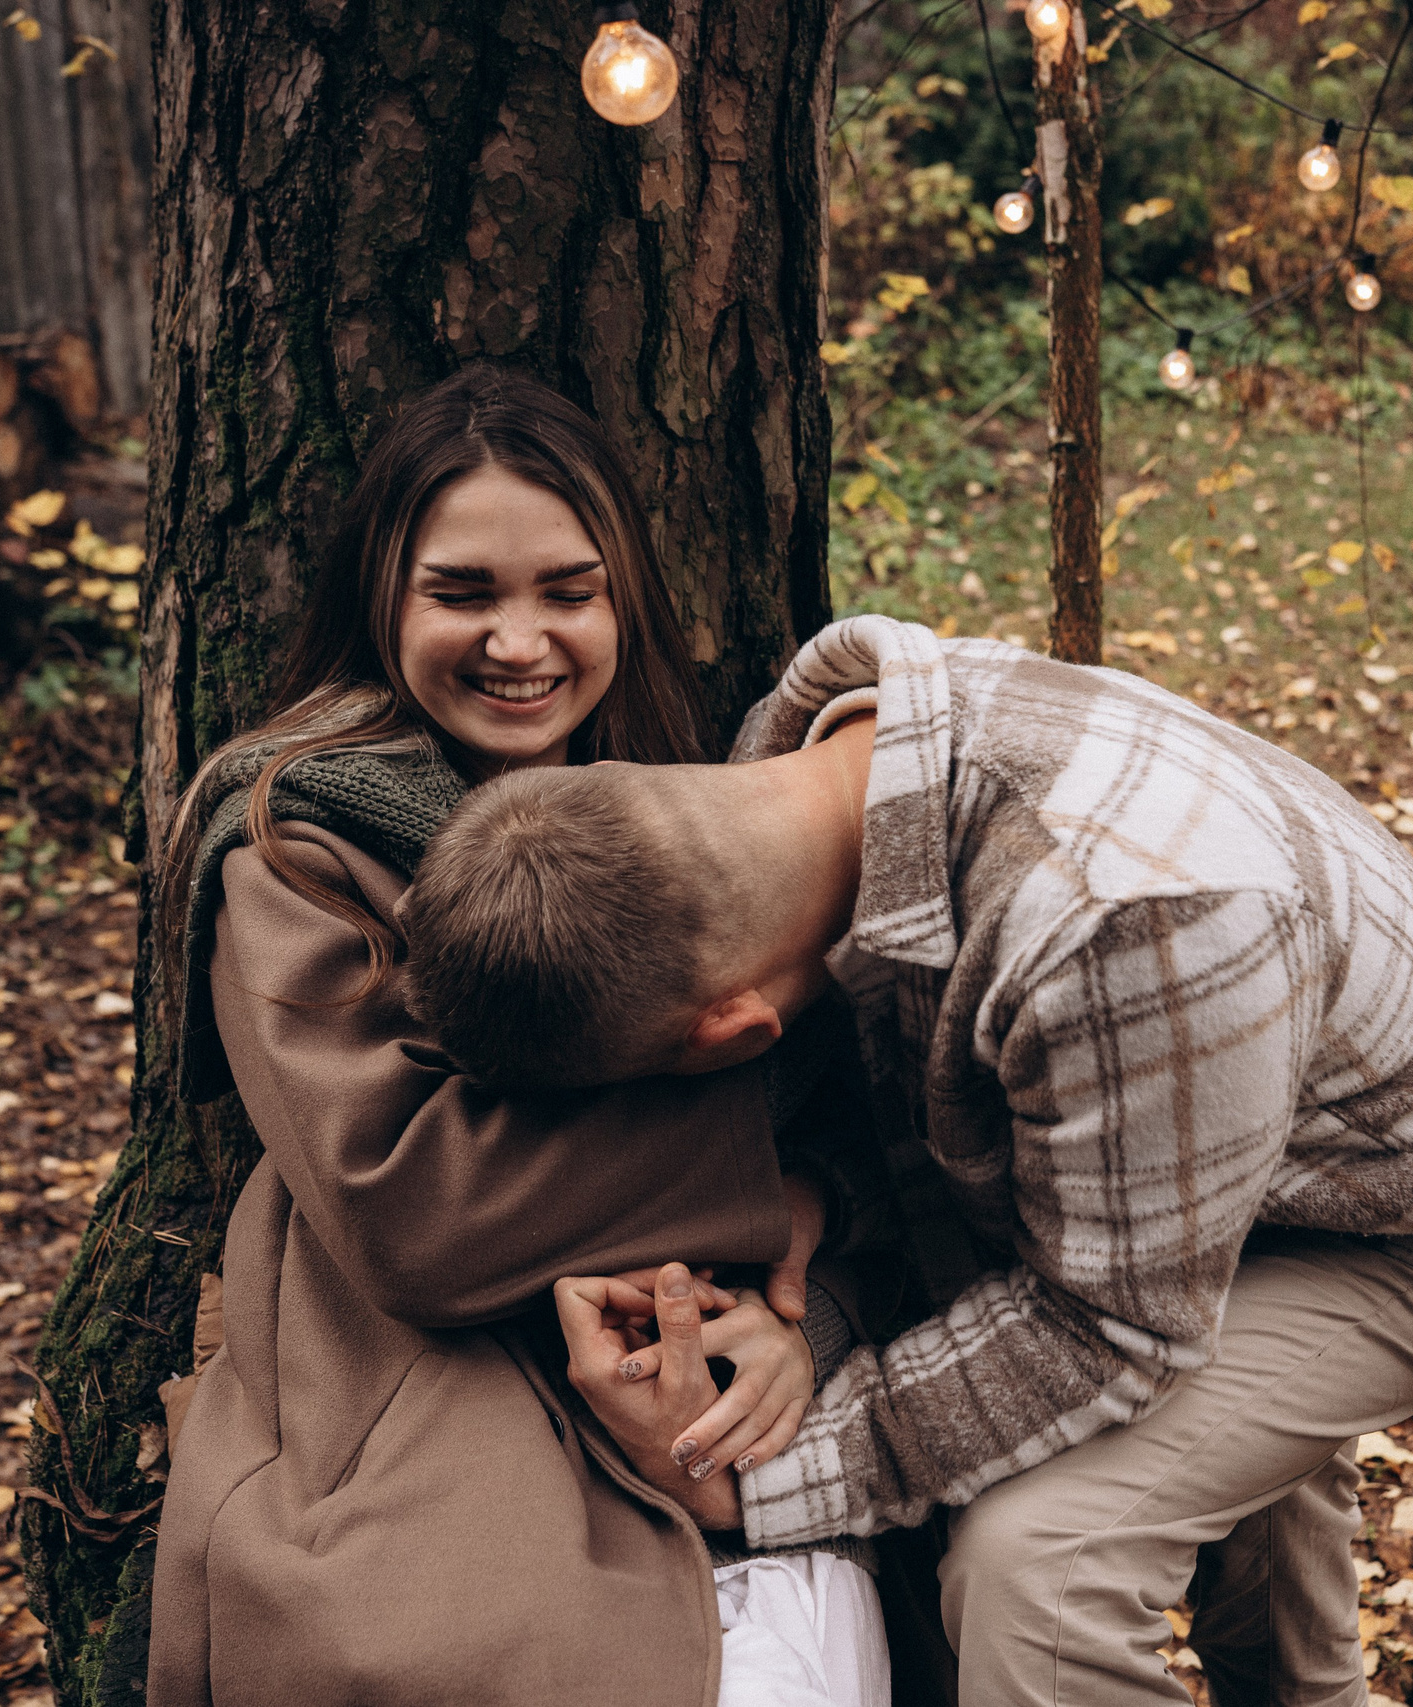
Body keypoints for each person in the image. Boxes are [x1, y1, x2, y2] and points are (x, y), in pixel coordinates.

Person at [398, 612, 1413, 1706]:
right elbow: (967, 1075)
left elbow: (1107, 1329)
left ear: (733, 1033)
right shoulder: (809, 765)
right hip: (1204, 1161)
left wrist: (761, 1482)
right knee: (1240, 1515)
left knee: (1040, 1577)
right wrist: (826, 1195)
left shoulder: (1124, 920)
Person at [144, 367, 891, 1707]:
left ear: (623, 598)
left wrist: (807, 1292)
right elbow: (415, 1204)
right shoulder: (296, 842)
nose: (519, 641)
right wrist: (754, 1133)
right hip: (433, 1402)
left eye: (568, 591)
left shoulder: (710, 804)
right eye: (462, 592)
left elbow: (866, 1125)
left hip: (705, 1384)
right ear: (384, 594)